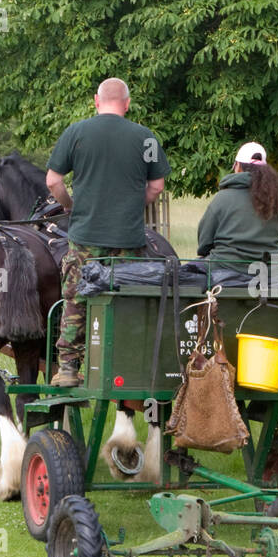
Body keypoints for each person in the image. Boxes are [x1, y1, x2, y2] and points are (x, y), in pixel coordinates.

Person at [45, 77, 169, 387]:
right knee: (126, 299)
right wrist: (131, 205)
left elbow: (53, 181)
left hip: (85, 236)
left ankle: (70, 369)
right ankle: (126, 366)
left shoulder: (76, 132)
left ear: (97, 102)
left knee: (76, 297)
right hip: (129, 239)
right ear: (127, 104)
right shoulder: (146, 138)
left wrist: (71, 205)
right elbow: (156, 186)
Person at [196, 141, 278, 273]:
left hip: (225, 267)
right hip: (270, 270)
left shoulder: (222, 198)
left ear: (238, 166)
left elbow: (204, 244)